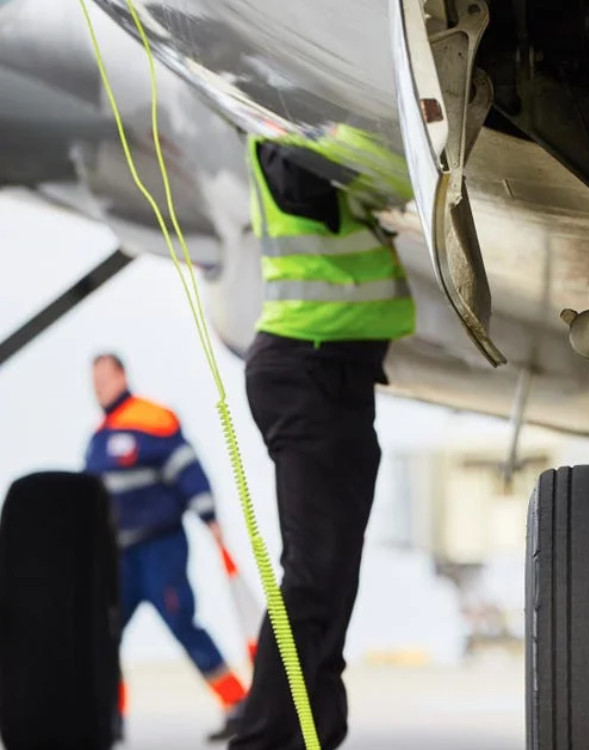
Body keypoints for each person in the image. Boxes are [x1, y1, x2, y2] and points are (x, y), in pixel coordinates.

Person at [231, 133, 415, 749]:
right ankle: (262, 739)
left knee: (329, 575)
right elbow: (401, 168)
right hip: (308, 372)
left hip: (330, 374)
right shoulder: (292, 141)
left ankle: (316, 732)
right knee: (314, 575)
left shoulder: (306, 136)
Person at [84, 353, 248, 742]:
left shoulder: (151, 420)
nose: (99, 389)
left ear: (122, 375)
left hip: (160, 547)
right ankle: (109, 715)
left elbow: (185, 468)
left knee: (182, 624)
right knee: (103, 633)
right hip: (119, 557)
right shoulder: (98, 438)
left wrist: (209, 517)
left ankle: (238, 703)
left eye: (104, 379)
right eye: (94, 382)